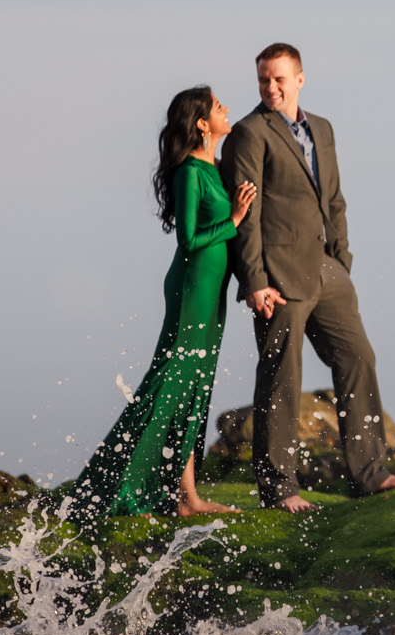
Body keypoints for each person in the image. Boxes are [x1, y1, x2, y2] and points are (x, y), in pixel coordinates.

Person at [222, 43, 395, 511]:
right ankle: (279, 489)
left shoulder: (323, 129)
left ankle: (371, 473)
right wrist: (254, 280)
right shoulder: (250, 133)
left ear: (300, 79)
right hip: (277, 279)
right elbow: (246, 215)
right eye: (263, 80)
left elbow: (334, 200)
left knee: (358, 358)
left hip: (327, 272)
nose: (270, 87)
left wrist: (341, 263)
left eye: (279, 79)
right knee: (280, 379)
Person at [74, 86, 257, 518]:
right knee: (171, 384)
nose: (226, 108)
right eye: (217, 106)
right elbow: (190, 241)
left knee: (195, 387)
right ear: (200, 123)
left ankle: (187, 497)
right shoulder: (189, 172)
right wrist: (233, 219)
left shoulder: (214, 165)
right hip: (192, 287)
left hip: (212, 290)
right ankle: (122, 481)